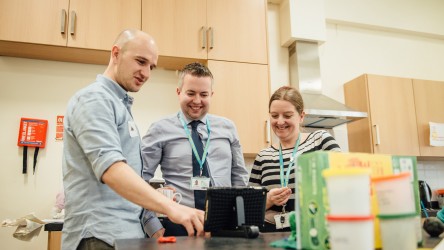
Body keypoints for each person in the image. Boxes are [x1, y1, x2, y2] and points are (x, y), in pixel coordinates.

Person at [62, 29, 204, 250]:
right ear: (116, 53)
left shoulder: (119, 105)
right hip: (100, 236)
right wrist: (170, 207)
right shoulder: (94, 99)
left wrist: (152, 206)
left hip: (125, 234)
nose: (146, 73)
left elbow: (121, 180)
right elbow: (111, 169)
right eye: (140, 61)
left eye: (151, 67)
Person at [141, 62, 249, 237]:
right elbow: (139, 180)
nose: (197, 101)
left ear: (211, 95)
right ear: (178, 93)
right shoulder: (159, 129)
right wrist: (152, 225)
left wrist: (240, 220)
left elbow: (239, 178)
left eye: (204, 94)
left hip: (224, 225)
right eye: (190, 93)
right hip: (177, 226)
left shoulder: (227, 128)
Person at [248, 86, 341, 232]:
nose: (279, 122)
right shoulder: (263, 156)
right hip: (269, 237)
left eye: (287, 115)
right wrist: (268, 200)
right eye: (274, 115)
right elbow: (248, 208)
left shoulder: (321, 141)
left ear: (301, 116)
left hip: (314, 233)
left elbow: (345, 182)